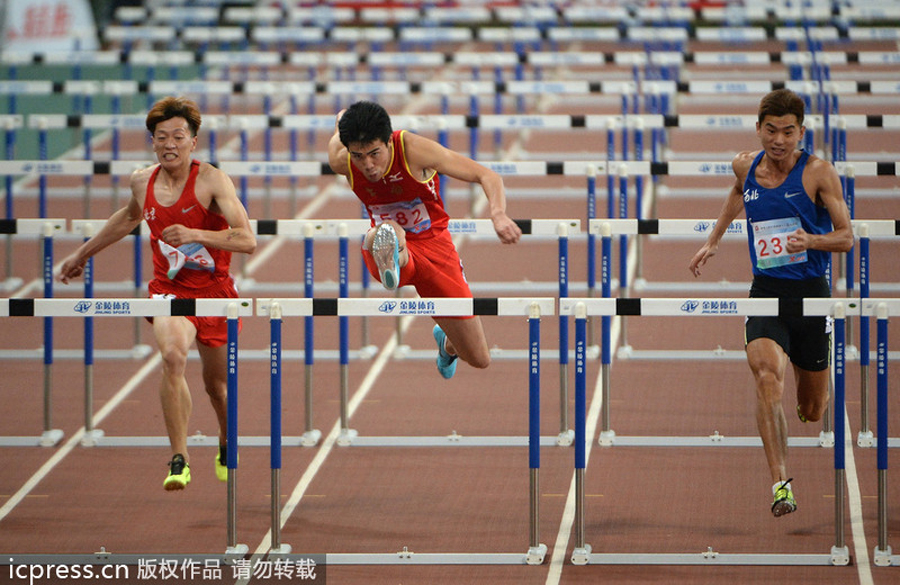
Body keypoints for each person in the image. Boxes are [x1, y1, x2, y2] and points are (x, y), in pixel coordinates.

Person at [59, 96, 257, 491]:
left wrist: (195, 233)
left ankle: (224, 439)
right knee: (172, 356)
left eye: (178, 137)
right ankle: (179, 457)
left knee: (217, 388)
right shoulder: (141, 181)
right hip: (169, 290)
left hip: (215, 292)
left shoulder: (212, 180)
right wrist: (83, 253)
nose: (170, 144)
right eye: (162, 137)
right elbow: (129, 217)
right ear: (152, 141)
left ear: (193, 141)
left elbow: (247, 240)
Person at [689, 89, 853, 517]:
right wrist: (714, 239)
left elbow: (846, 237)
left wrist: (811, 240)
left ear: (801, 132)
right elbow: (737, 192)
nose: (779, 140)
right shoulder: (745, 165)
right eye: (771, 131)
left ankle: (806, 392)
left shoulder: (818, 173)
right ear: (758, 129)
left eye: (788, 132)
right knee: (766, 377)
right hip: (766, 292)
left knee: (812, 411)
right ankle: (781, 485)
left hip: (811, 295)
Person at [327, 100, 521, 379]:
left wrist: (498, 214)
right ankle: (390, 250)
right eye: (358, 156)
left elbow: (486, 175)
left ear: (388, 141)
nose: (367, 165)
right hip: (389, 253)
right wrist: (342, 122)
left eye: (374, 154)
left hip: (436, 247)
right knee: (388, 232)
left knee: (479, 358)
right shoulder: (341, 158)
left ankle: (447, 344)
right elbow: (340, 132)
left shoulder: (413, 150)